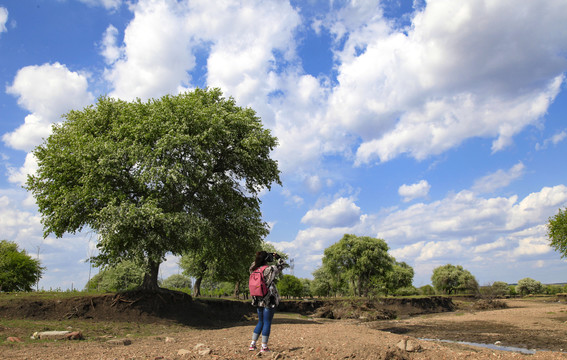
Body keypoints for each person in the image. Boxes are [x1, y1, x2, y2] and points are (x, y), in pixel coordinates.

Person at [248, 251, 286, 353]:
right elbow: (282, 265)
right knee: (267, 322)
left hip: (257, 298)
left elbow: (255, 262)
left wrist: (262, 255)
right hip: (269, 299)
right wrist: (278, 257)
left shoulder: (253, 268)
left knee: (260, 321)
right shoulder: (270, 269)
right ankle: (264, 347)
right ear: (267, 259)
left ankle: (252, 344)